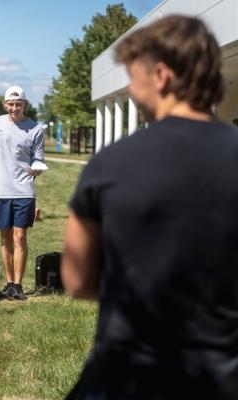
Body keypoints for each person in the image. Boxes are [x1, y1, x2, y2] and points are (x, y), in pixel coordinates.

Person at [62, 15, 238, 399]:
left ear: (161, 77)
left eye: (133, 76)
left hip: (123, 377)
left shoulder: (110, 165)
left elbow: (77, 281)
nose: (129, 87)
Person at [0, 86, 45, 301]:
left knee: (20, 236)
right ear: (5, 105)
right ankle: (9, 283)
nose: (14, 108)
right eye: (11, 104)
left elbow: (39, 159)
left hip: (23, 190)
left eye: (18, 104)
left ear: (25, 105)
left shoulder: (35, 129)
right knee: (5, 238)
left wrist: (37, 169)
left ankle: (19, 285)